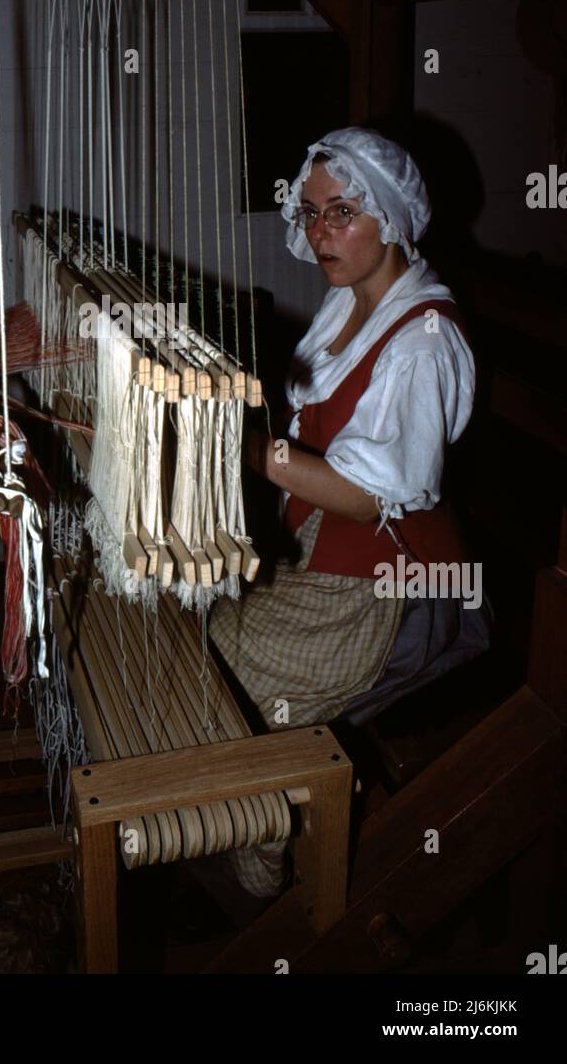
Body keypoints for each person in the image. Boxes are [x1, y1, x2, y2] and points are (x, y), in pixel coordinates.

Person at [207, 126, 492, 895]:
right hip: (335, 557)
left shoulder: (424, 340)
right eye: (309, 214)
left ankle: (265, 864)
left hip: (402, 591)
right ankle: (247, 831)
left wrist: (240, 442)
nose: (319, 232)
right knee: (201, 622)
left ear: (391, 217)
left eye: (342, 213)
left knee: (223, 668)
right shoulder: (351, 305)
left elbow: (369, 497)